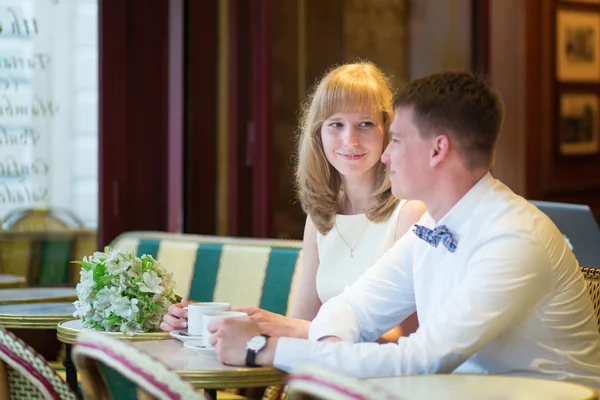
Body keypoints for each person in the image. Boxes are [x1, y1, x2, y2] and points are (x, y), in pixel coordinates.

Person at [205, 71, 600, 390]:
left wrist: (264, 348)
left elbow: (420, 359)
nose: (385, 154)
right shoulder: (432, 225)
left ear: (437, 150)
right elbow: (351, 307)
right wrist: (328, 351)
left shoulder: (514, 238)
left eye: (394, 139)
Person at [160, 62, 425, 340]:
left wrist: (276, 326)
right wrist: (207, 324)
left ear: (388, 130)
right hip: (324, 373)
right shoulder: (321, 218)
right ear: (318, 134)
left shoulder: (410, 214)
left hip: (381, 379)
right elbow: (301, 323)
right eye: (336, 124)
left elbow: (406, 336)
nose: (350, 139)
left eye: (365, 124)